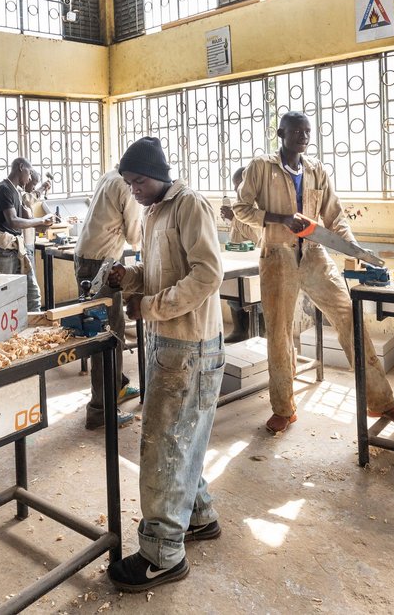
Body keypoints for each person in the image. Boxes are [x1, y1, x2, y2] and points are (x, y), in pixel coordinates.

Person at [233, 112, 394, 434]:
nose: (303, 137)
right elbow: (241, 209)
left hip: (315, 255)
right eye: (296, 131)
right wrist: (280, 218)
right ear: (281, 133)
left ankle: (382, 402)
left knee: (349, 319)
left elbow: (334, 216)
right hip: (277, 256)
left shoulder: (316, 169)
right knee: (279, 332)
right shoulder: (261, 167)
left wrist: (355, 249)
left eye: (307, 132)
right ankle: (283, 409)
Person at [105, 137, 224, 593]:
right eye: (128, 183)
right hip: (167, 341)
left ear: (159, 173)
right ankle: (198, 515)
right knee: (182, 438)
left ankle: (162, 554)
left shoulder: (189, 204)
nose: (133, 190)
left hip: (188, 346)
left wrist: (149, 306)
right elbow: (162, 271)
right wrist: (130, 277)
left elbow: (207, 274)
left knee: (161, 447)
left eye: (138, 181)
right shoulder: (154, 212)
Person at [76, 167, 143, 430]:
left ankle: (117, 386)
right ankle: (100, 410)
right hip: (99, 264)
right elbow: (135, 236)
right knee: (108, 336)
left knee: (106, 331)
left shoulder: (111, 175)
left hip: (89, 258)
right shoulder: (128, 185)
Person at [0, 158, 51, 312]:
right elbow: (13, 221)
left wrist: (38, 223)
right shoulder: (3, 189)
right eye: (29, 173)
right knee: (4, 297)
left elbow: (23, 218)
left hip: (17, 248)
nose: (30, 178)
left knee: (32, 294)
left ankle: (35, 330)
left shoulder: (15, 191)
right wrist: (39, 221)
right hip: (3, 249)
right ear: (21, 167)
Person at [219, 166, 260, 343]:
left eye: (239, 185)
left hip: (254, 261)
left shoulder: (256, 204)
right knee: (234, 298)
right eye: (235, 186)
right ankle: (240, 330)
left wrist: (234, 217)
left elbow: (255, 235)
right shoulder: (240, 203)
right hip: (238, 259)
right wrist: (230, 219)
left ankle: (260, 334)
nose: (236, 190)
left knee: (257, 300)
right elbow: (239, 232)